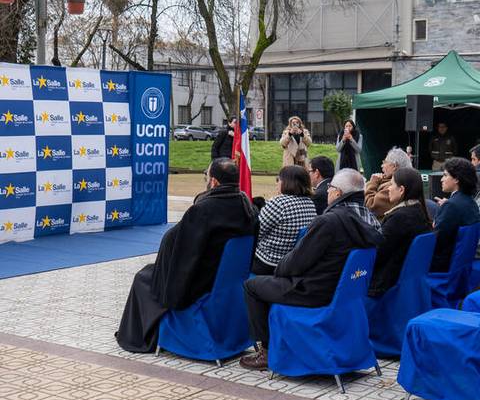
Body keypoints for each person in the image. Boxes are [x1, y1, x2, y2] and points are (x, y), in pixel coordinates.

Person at [239, 169, 383, 370]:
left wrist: (280, 270)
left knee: (251, 286)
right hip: (347, 293)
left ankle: (267, 351)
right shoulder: (371, 220)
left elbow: (295, 263)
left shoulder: (329, 221)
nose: (327, 192)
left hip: (315, 291)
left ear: (338, 193)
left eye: (331, 188)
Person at [116, 158, 258, 353]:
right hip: (228, 280)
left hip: (202, 282)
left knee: (144, 277)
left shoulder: (204, 210)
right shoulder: (247, 207)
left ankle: (140, 337)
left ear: (214, 181)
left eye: (207, 176)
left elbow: (185, 258)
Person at [368, 168, 432, 296]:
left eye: (391, 184)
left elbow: (376, 254)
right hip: (407, 279)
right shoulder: (420, 211)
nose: (388, 189)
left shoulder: (399, 217)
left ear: (401, 190)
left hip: (385, 284)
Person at [252, 166, 317, 275]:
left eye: (278, 179)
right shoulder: (310, 203)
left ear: (286, 182)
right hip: (292, 261)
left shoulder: (278, 203)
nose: (277, 183)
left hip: (268, 263)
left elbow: (256, 232)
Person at [430, 157, 480, 272]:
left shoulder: (451, 206)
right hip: (461, 268)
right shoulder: (471, 203)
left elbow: (436, 241)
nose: (441, 179)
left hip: (442, 268)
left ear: (456, 179)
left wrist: (436, 220)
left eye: (445, 175)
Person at [365, 147, 412, 220]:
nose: (382, 166)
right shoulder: (407, 180)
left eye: (385, 162)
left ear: (394, 166)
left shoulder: (394, 187)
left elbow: (371, 206)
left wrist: (373, 183)